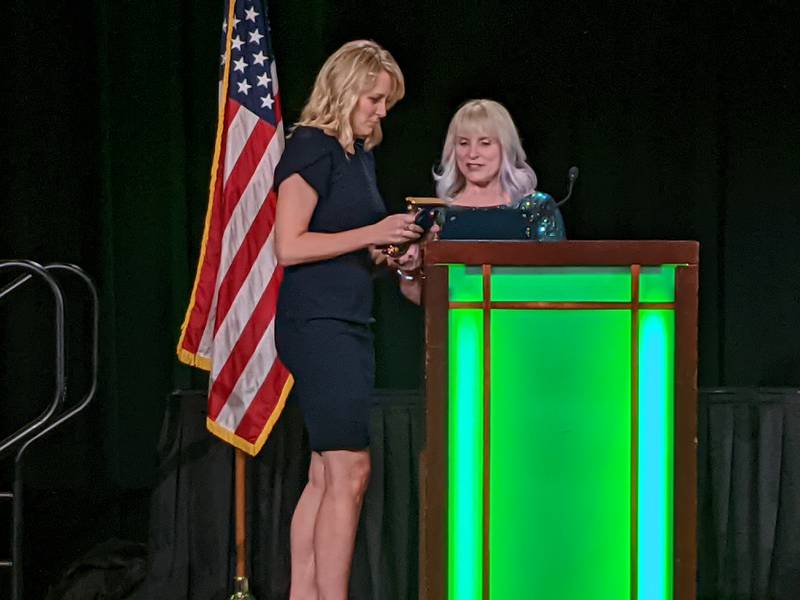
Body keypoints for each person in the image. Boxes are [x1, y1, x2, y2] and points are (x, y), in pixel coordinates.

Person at [273, 40, 421, 600]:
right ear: (345, 88)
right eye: (375, 99)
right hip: (318, 325)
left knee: (324, 475)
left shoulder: (359, 155)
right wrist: (373, 232)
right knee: (350, 472)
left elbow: (346, 247)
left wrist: (390, 253)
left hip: (347, 321)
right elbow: (289, 245)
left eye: (387, 102)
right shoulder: (312, 147)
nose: (382, 111)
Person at [396, 99, 566, 304]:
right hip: (459, 331)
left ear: (506, 147)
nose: (472, 154)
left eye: (485, 143)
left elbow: (556, 284)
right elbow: (427, 301)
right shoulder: (437, 213)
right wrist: (409, 273)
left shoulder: (536, 208)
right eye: (463, 143)